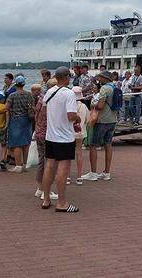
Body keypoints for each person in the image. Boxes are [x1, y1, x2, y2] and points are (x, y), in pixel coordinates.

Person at [41, 66, 80, 213]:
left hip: (50, 135)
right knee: (63, 168)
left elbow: (45, 111)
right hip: (64, 137)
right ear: (67, 78)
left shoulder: (49, 92)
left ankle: (46, 199)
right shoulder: (69, 94)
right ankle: (62, 202)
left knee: (49, 166)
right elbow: (71, 116)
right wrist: (78, 117)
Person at [83, 70, 118, 182]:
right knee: (108, 144)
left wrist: (93, 104)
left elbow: (100, 106)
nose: (99, 79)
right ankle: (106, 172)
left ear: (105, 78)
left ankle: (93, 173)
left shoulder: (104, 88)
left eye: (100, 77)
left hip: (102, 120)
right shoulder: (115, 87)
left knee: (93, 145)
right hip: (113, 119)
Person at [34, 78, 58, 201]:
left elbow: (36, 115)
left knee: (41, 161)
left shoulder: (41, 99)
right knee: (50, 163)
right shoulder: (51, 100)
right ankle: (45, 190)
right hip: (48, 134)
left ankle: (40, 188)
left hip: (39, 132)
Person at [5, 75, 34, 173]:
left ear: (15, 84)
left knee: (16, 144)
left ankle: (18, 166)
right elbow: (32, 107)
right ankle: (25, 165)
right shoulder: (29, 94)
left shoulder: (12, 95)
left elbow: (6, 107)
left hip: (16, 120)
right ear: (24, 84)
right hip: (27, 120)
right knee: (26, 143)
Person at [70, 86, 89, 185]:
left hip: (69, 133)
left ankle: (68, 176)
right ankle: (79, 176)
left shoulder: (69, 106)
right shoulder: (84, 107)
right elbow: (87, 120)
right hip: (80, 133)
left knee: (68, 154)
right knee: (79, 154)